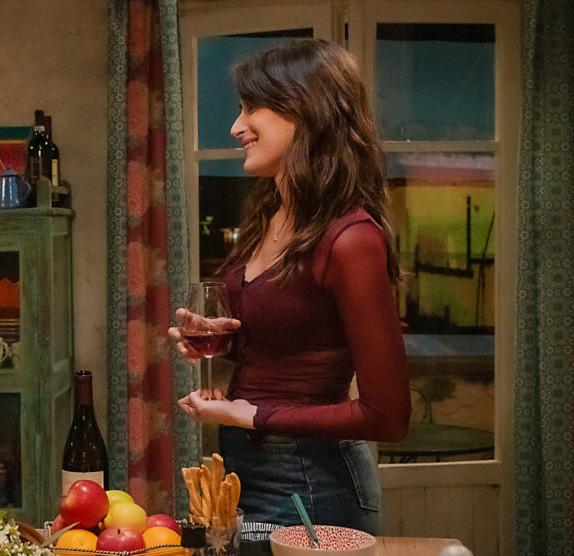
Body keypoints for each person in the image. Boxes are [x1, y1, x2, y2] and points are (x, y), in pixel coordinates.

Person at [169, 38, 410, 535]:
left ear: (306, 112)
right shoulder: (270, 214)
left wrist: (253, 415)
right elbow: (294, 337)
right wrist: (223, 339)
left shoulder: (351, 238)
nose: (236, 126)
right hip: (243, 464)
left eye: (251, 108)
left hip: (311, 480)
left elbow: (388, 416)